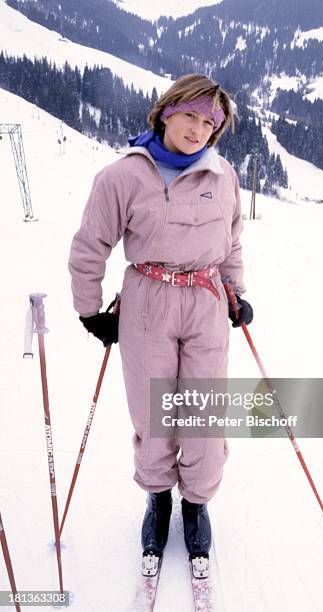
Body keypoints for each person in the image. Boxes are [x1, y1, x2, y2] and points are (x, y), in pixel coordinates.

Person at [68, 73, 253, 578]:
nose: (198, 129)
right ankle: (158, 500)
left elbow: (231, 241)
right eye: (190, 115)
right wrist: (90, 311)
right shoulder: (123, 176)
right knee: (153, 413)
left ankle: (195, 504)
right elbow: (91, 246)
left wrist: (236, 292)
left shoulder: (223, 176)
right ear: (167, 111)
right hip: (147, 299)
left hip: (206, 301)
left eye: (209, 122)